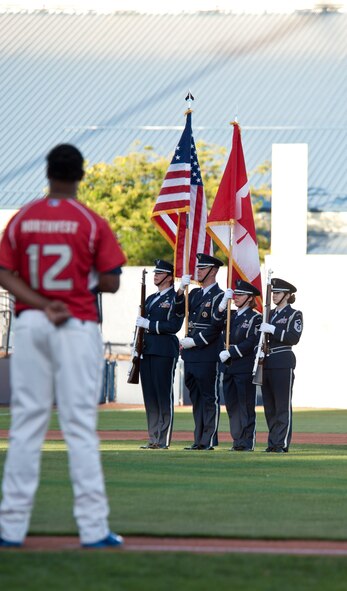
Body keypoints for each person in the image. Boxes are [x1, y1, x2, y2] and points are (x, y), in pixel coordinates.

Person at [0, 144, 126, 548]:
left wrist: (40, 302)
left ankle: (10, 529)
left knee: (26, 425)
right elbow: (110, 281)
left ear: (48, 172)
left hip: (32, 322)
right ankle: (92, 530)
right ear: (80, 175)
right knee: (79, 426)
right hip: (75, 323)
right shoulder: (90, 222)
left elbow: (4, 272)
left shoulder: (22, 219)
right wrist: (71, 287)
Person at [178, 253, 224, 451]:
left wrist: (194, 342)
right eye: (199, 268)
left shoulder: (220, 296)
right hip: (191, 355)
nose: (199, 271)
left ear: (213, 271)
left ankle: (208, 439)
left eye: (202, 268)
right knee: (196, 399)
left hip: (207, 352)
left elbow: (215, 327)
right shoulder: (195, 294)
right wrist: (180, 290)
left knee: (208, 398)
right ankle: (198, 439)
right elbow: (178, 310)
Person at [135, 259, 184, 449]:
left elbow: (173, 325)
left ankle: (163, 440)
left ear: (169, 277)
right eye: (155, 272)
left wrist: (150, 326)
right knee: (150, 396)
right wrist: (136, 346)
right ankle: (153, 437)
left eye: (160, 273)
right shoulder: (150, 299)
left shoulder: (175, 298)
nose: (155, 275)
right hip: (147, 349)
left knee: (163, 395)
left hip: (164, 350)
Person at [217, 280, 262, 451]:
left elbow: (251, 341)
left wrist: (232, 352)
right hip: (228, 367)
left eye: (240, 295)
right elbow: (215, 322)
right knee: (232, 405)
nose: (236, 298)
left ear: (250, 298)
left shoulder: (255, 317)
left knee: (245, 405)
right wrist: (222, 304)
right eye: (235, 294)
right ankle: (237, 440)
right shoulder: (231, 315)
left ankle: (247, 441)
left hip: (243, 367)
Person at [260, 277, 303, 453]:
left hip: (282, 361)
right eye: (273, 293)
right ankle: (272, 442)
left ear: (287, 295)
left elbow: (294, 337)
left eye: (277, 293)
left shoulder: (294, 314)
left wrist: (273, 330)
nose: (274, 296)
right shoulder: (268, 314)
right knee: (270, 406)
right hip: (267, 362)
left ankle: (281, 443)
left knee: (282, 405)